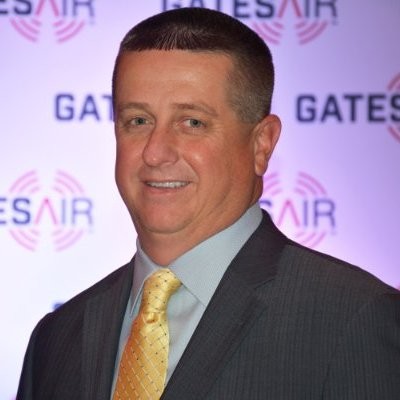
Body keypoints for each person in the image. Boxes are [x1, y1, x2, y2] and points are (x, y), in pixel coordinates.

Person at [17, 7, 400, 400]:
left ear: (262, 144)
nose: (155, 152)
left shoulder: (354, 319)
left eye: (192, 123)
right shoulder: (57, 336)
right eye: (138, 121)